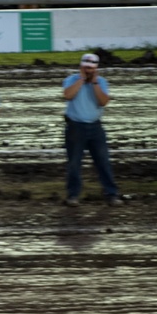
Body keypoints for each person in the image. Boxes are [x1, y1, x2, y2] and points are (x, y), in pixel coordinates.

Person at [62, 53, 121, 207]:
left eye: (90, 69)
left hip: (95, 126)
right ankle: (73, 195)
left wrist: (94, 83)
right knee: (74, 163)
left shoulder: (101, 82)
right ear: (81, 67)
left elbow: (103, 102)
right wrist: (81, 80)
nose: (87, 71)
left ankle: (111, 194)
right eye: (85, 68)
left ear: (96, 69)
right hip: (76, 126)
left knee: (103, 161)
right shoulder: (71, 80)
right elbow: (68, 96)